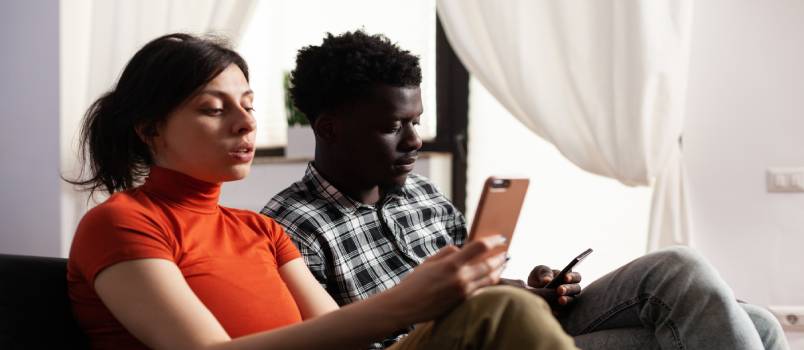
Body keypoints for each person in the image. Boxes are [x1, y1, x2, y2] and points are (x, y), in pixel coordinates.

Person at [262, 30, 790, 350]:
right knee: (743, 324)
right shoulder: (290, 227)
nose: (414, 140)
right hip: (469, 342)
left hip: (511, 319)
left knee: (704, 285)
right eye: (392, 127)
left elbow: (483, 285)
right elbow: (331, 339)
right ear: (329, 127)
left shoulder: (423, 197)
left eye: (417, 121)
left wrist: (528, 284)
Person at [65, 33, 579, 350]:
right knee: (505, 312)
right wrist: (408, 301)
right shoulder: (124, 222)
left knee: (515, 307)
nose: (246, 124)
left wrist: (440, 297)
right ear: (149, 129)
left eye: (247, 103)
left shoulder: (260, 230)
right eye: (213, 108)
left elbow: (343, 334)